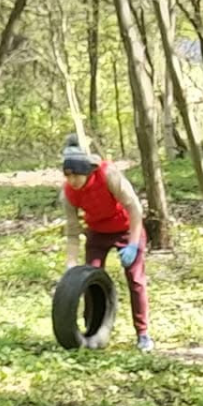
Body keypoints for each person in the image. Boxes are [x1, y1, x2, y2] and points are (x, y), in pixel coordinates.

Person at [61, 136, 153, 351]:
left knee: (135, 280)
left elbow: (134, 208)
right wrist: (71, 264)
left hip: (127, 228)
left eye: (76, 174)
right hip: (97, 233)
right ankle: (91, 331)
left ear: (88, 170)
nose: (72, 180)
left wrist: (132, 244)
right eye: (68, 175)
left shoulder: (108, 175)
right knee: (88, 278)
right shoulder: (67, 194)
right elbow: (73, 232)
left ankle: (143, 334)